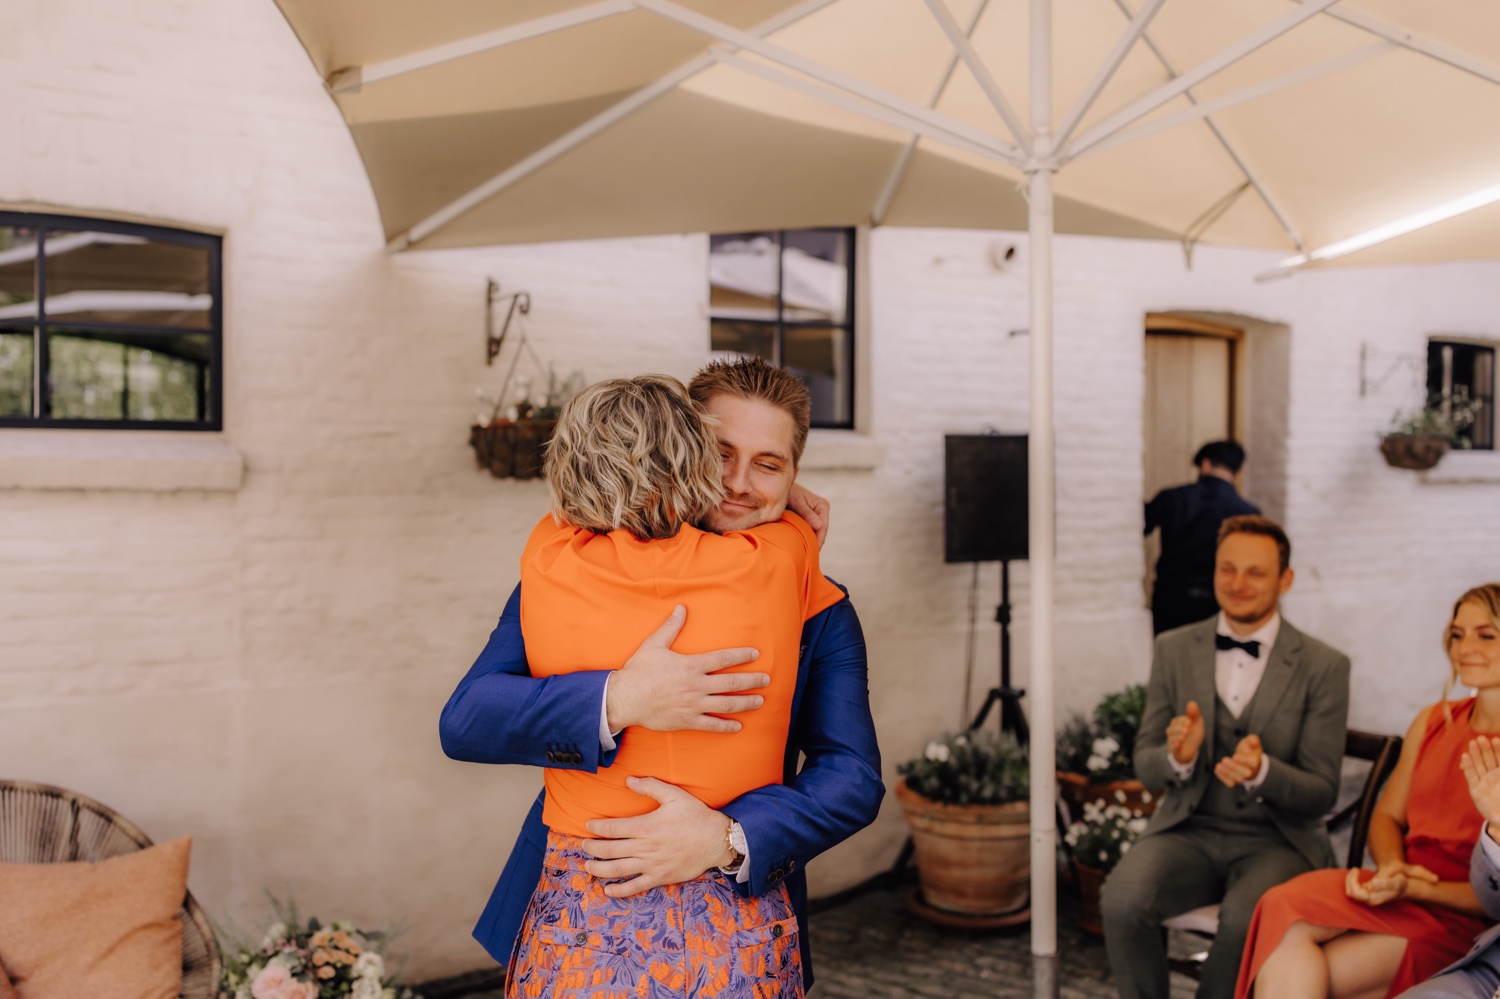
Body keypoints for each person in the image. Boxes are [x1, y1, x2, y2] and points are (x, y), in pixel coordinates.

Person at [439, 357, 882, 990]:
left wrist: (726, 838)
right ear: (682, 452)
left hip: (738, 914)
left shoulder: (821, 607)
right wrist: (619, 699)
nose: (737, 483)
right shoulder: (573, 569)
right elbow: (466, 720)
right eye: (720, 453)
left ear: (795, 475)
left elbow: (853, 777)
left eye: (768, 464)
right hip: (580, 913)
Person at [1101, 514, 1351, 999]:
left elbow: (1322, 792)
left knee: (1246, 918)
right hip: (1189, 830)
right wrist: (1177, 758)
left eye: (1255, 572)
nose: (1237, 584)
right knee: (1122, 899)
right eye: (1226, 569)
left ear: (1286, 579)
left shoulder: (1324, 665)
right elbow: (1144, 763)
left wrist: (1263, 772)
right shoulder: (1173, 648)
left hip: (1278, 840)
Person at [1241, 584, 1500, 999]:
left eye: (1486, 635)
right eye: (1457, 633)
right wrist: (1395, 866)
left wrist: (1414, 887)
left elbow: (1495, 896)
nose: (1465, 647)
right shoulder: (1434, 720)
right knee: (1280, 907)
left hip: (1463, 916)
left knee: (1302, 973)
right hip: (1397, 886)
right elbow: (1386, 816)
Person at [1145, 440, 1261, 635]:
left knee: (1169, 658)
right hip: (1217, 601)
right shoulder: (1248, 513)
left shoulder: (1172, 497)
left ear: (1205, 464)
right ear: (1237, 473)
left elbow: (1139, 526)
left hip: (1170, 598)